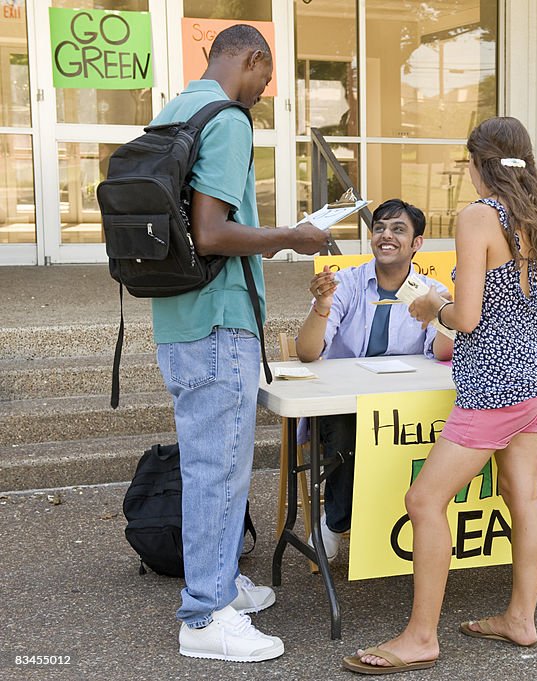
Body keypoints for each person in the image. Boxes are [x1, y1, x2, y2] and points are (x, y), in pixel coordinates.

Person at [342, 116, 537, 674]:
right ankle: (521, 617)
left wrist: (432, 308)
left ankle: (421, 636)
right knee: (524, 497)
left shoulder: (480, 216)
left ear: (478, 164)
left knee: (424, 501)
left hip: (495, 384)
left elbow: (467, 318)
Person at [151, 25, 329, 662]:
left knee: (214, 462)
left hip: (177, 318)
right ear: (251, 59)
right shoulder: (226, 120)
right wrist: (291, 236)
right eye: (266, 76)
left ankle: (219, 587)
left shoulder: (176, 108)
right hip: (218, 317)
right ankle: (204, 618)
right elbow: (211, 232)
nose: (264, 91)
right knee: (216, 469)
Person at [295, 199, 453, 560]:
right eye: (380, 228)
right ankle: (336, 521)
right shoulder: (346, 283)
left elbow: (443, 353)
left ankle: (404, 520)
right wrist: (322, 304)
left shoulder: (430, 289)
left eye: (398, 230)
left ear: (417, 243)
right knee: (349, 430)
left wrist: (444, 312)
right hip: (345, 406)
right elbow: (307, 352)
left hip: (408, 404)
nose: (386, 236)